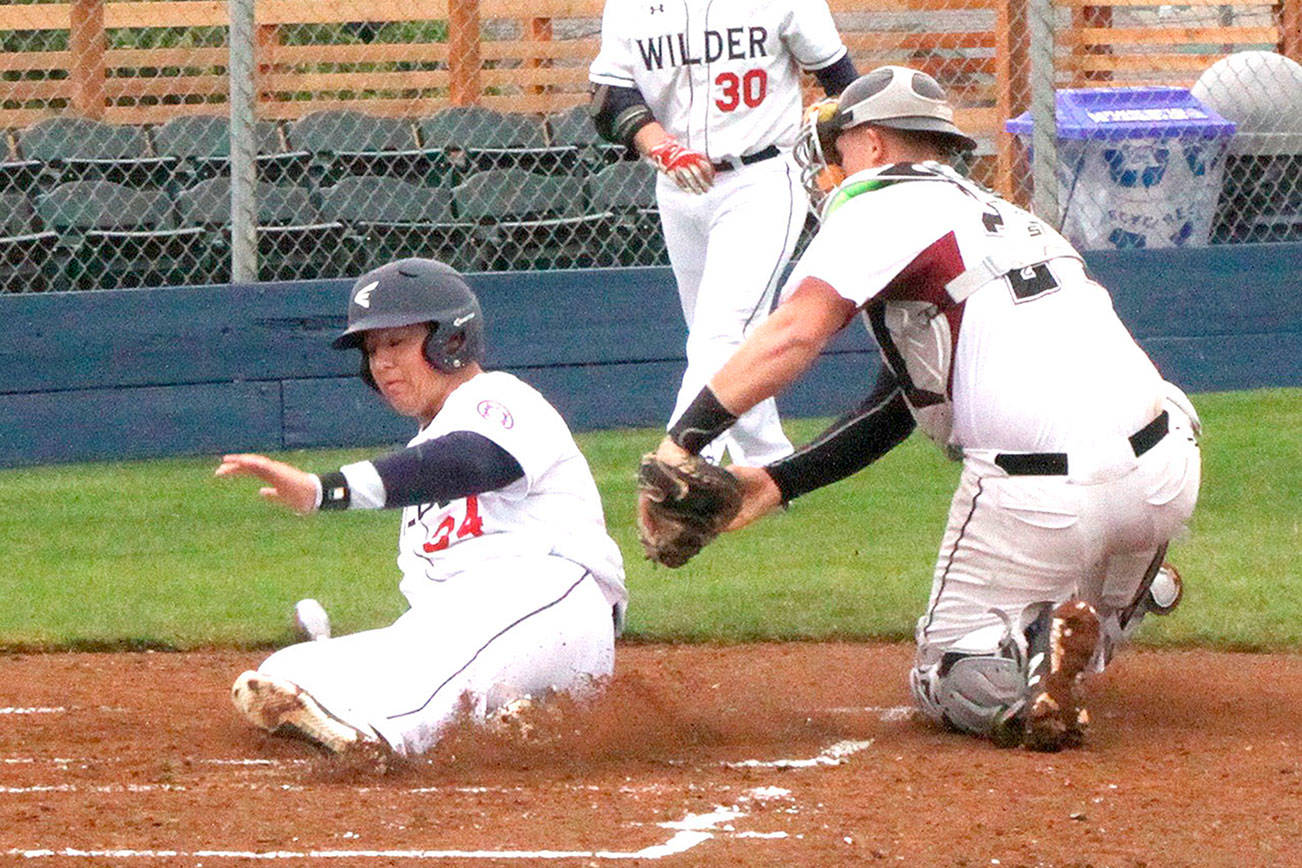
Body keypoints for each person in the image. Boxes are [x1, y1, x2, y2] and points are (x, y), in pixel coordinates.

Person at [644, 66, 1202, 751]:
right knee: (1147, 445)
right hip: (1167, 473)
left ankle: (1024, 671)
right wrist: (781, 480)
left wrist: (681, 443)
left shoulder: (878, 203)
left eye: (841, 147)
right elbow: (899, 406)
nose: (832, 167)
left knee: (947, 676)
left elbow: (794, 332)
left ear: (874, 145)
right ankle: (1127, 594)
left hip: (1044, 498)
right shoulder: (1007, 217)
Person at [219, 258, 627, 767]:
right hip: (471, 635)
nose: (381, 363)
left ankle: (384, 736)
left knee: (426, 674)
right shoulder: (425, 455)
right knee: (285, 674)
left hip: (552, 608)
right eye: (371, 350)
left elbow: (471, 462)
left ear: (450, 340)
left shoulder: (500, 399)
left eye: (395, 343)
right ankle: (522, 721)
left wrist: (324, 490)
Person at [588, 0, 858, 467]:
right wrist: (661, 146)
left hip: (762, 178)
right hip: (676, 182)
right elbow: (609, 93)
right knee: (724, 336)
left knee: (718, 334)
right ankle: (770, 462)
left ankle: (684, 461)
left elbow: (842, 79)